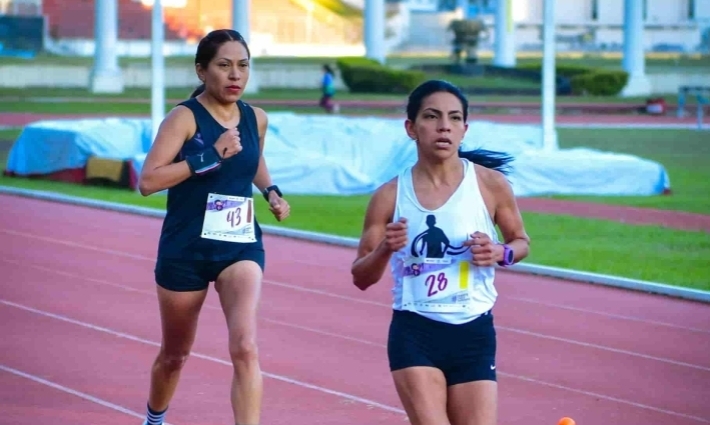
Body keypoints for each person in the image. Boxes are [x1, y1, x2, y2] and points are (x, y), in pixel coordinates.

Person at [351, 79, 531, 425]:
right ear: (411, 128)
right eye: (432, 117)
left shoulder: (490, 184)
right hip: (415, 332)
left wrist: (499, 253)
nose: (444, 126)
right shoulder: (390, 196)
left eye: (453, 118)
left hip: (473, 331)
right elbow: (361, 277)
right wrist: (387, 248)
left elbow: (520, 242)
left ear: (465, 128)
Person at [137, 28, 290, 425]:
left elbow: (252, 160)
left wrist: (270, 191)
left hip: (239, 245)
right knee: (175, 355)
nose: (235, 75)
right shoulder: (184, 118)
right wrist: (208, 155)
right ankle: (155, 418)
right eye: (224, 66)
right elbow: (148, 182)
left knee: (245, 347)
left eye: (242, 66)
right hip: (186, 249)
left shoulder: (256, 118)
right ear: (202, 71)